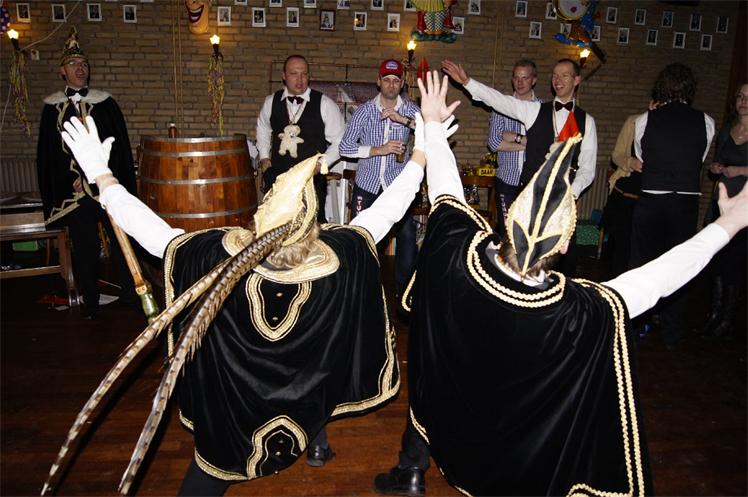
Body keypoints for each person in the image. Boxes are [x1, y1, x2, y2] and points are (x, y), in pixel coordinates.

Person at [375, 70, 748, 497]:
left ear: (509, 220)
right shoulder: (579, 310)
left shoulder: (462, 256)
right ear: (567, 243)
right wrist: (729, 224)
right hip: (517, 459)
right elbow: (657, 279)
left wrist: (432, 127)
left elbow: (447, 193)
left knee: (435, 358)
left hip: (454, 425)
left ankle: (411, 467)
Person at [52, 107, 458, 496]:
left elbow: (154, 233)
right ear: (313, 224)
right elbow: (386, 211)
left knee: (210, 470)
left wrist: (102, 175)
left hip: (236, 413)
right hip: (306, 387)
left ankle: (307, 443)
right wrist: (423, 152)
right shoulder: (342, 259)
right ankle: (316, 439)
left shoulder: (216, 263)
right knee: (317, 372)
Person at [442, 58, 597, 276]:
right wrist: (467, 82)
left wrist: (570, 193)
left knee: (562, 257)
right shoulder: (534, 110)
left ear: (577, 80)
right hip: (529, 197)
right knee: (516, 249)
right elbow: (500, 101)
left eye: (565, 75)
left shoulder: (587, 121)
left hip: (562, 200)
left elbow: (587, 169)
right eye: (555, 75)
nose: (558, 80)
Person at [35, 28, 136, 319]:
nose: (80, 69)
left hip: (106, 187)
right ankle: (90, 302)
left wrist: (103, 177)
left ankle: (131, 294)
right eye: (73, 64)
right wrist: (73, 178)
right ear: (62, 71)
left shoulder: (106, 104)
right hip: (76, 194)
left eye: (83, 64)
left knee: (122, 240)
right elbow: (50, 155)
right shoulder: (51, 108)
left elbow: (118, 147)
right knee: (85, 248)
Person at [631, 63, 715, 349]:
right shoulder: (706, 121)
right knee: (680, 266)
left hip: (652, 199)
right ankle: (672, 332)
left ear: (662, 87)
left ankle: (636, 324)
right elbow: (699, 159)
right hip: (685, 202)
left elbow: (644, 158)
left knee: (643, 264)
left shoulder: (645, 120)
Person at [339, 59, 421, 297]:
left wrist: (402, 120)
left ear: (402, 83)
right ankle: (360, 288)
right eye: (387, 79)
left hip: (397, 185)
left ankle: (403, 291)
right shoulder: (364, 111)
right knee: (361, 236)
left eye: (396, 80)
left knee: (407, 235)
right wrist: (378, 150)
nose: (391, 85)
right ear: (379, 81)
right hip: (368, 183)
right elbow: (345, 147)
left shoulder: (410, 110)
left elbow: (431, 132)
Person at [256, 54, 345, 222]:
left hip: (311, 179)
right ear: (284, 76)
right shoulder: (271, 102)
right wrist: (264, 157)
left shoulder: (325, 104)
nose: (300, 79)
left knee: (311, 225)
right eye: (294, 74)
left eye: (304, 74)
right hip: (278, 177)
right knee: (275, 225)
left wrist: (321, 164)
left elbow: (340, 141)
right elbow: (263, 128)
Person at [699, 82, 748, 341]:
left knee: (735, 263)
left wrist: (740, 170)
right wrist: (716, 168)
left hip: (744, 208)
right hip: (721, 202)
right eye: (740, 96)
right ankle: (715, 313)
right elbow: (716, 161)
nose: (743, 101)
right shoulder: (727, 129)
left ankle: (727, 319)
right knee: (717, 258)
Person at [487, 59, 541, 235]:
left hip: (534, 181)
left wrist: (515, 137)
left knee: (529, 232)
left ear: (534, 80)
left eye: (525, 78)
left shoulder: (543, 109)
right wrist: (528, 143)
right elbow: (494, 143)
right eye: (516, 77)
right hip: (506, 180)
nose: (520, 82)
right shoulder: (501, 106)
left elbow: (546, 145)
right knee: (507, 232)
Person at [603, 113, 643, 277]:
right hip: (625, 195)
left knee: (640, 251)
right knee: (620, 248)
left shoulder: (671, 128)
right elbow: (616, 155)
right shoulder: (634, 122)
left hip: (649, 198)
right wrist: (630, 162)